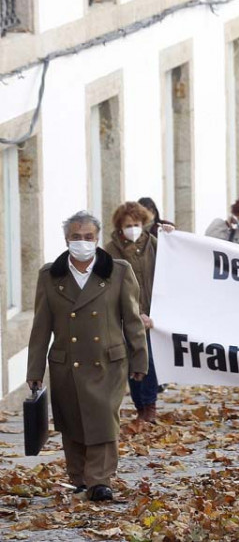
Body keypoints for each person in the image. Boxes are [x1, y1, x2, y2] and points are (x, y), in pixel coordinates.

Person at [26, 211, 148, 502]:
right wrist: (34, 371)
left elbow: (131, 319)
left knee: (104, 420)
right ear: (67, 239)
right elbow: (41, 327)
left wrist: (140, 357)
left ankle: (100, 481)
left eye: (88, 237)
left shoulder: (118, 271)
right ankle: (78, 477)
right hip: (66, 362)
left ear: (97, 238)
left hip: (108, 361)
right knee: (72, 421)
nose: (83, 242)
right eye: (76, 237)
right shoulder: (50, 275)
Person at [104, 202, 170, 423]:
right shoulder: (110, 251)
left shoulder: (153, 244)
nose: (132, 228)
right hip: (126, 315)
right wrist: (135, 312)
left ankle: (149, 406)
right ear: (120, 227)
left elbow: (175, 261)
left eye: (136, 224)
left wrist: (172, 236)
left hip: (154, 314)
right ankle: (140, 404)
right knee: (134, 360)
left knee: (148, 359)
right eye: (128, 225)